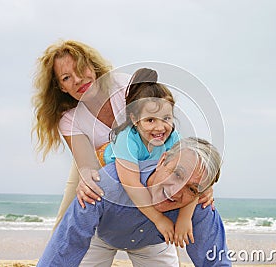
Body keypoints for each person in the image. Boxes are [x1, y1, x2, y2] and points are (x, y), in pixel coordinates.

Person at [32, 40, 215, 233]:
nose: (77, 79)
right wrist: (86, 178)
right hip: (98, 158)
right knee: (73, 206)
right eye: (67, 77)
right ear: (61, 87)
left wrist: (199, 182)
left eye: (81, 68)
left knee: (182, 195)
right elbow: (88, 165)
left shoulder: (124, 85)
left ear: (93, 67)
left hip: (147, 151)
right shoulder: (69, 119)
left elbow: (163, 123)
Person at [37, 137, 231, 267]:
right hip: (101, 237)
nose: (175, 191)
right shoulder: (104, 185)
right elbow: (68, 242)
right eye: (177, 174)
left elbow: (214, 259)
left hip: (152, 244)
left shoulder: (198, 203)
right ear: (162, 160)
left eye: (191, 188)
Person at [102, 67, 197, 247]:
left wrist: (185, 218)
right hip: (122, 182)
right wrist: (159, 219)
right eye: (150, 120)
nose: (160, 128)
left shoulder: (174, 138)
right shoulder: (127, 138)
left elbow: (192, 174)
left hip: (152, 182)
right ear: (135, 119)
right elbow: (132, 185)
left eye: (166, 118)